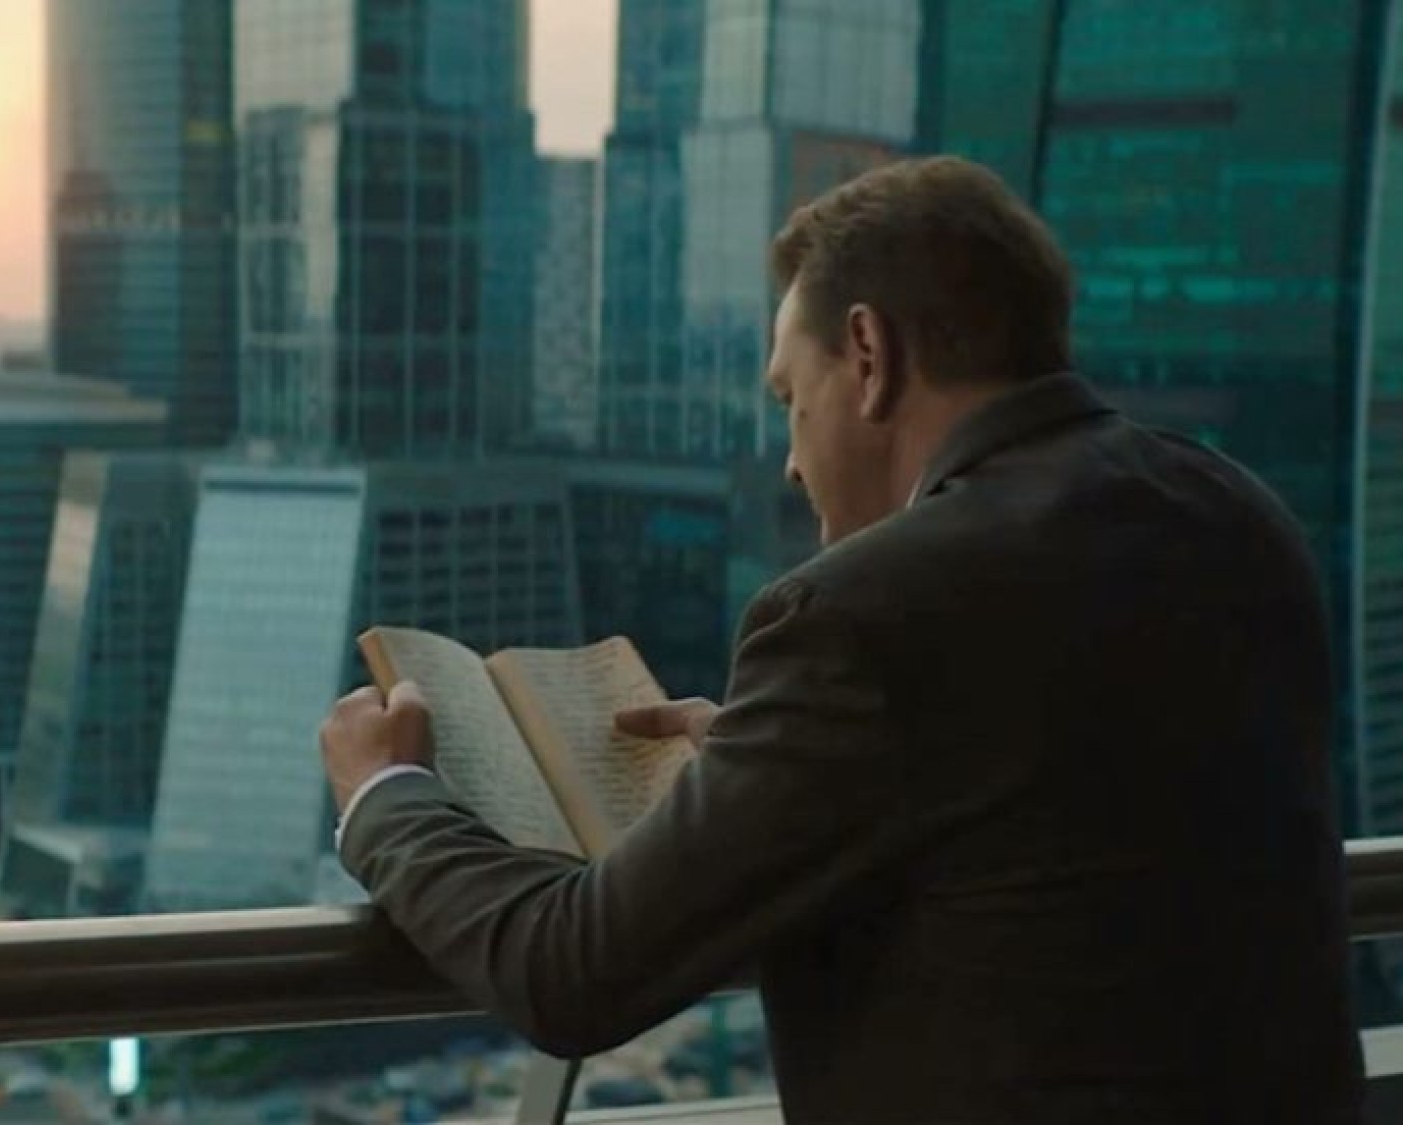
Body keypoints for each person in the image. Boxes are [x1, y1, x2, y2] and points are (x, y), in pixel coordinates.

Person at [320, 156, 1364, 1123]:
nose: (790, 459)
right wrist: (774, 769)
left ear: (868, 355)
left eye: (790, 398)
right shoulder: (1238, 518)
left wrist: (388, 795)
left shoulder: (865, 612)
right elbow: (1069, 821)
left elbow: (570, 974)